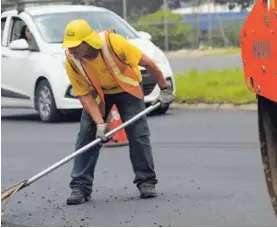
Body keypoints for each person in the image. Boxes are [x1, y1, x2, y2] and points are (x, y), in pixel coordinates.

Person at [62, 19, 175, 205]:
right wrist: (100, 123)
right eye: (69, 45)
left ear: (88, 42)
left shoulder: (114, 43)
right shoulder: (71, 60)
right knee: (86, 137)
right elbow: (84, 95)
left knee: (138, 134)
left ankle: (146, 182)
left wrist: (165, 88)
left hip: (127, 90)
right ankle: (80, 187)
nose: (71, 49)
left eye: (75, 45)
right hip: (98, 94)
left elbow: (149, 64)